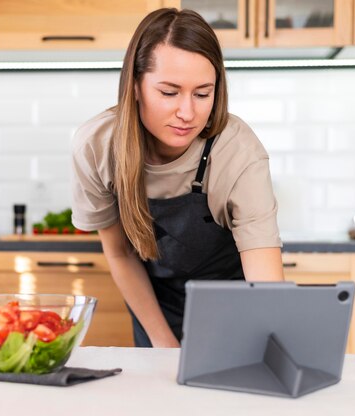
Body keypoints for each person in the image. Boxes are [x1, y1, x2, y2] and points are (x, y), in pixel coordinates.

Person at [71, 8, 285, 348]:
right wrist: (163, 343)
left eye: (203, 94)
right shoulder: (99, 146)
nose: (187, 113)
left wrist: (268, 346)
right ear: (136, 86)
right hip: (153, 308)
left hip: (235, 308)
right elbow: (121, 254)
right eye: (169, 93)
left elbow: (265, 283)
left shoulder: (238, 151)